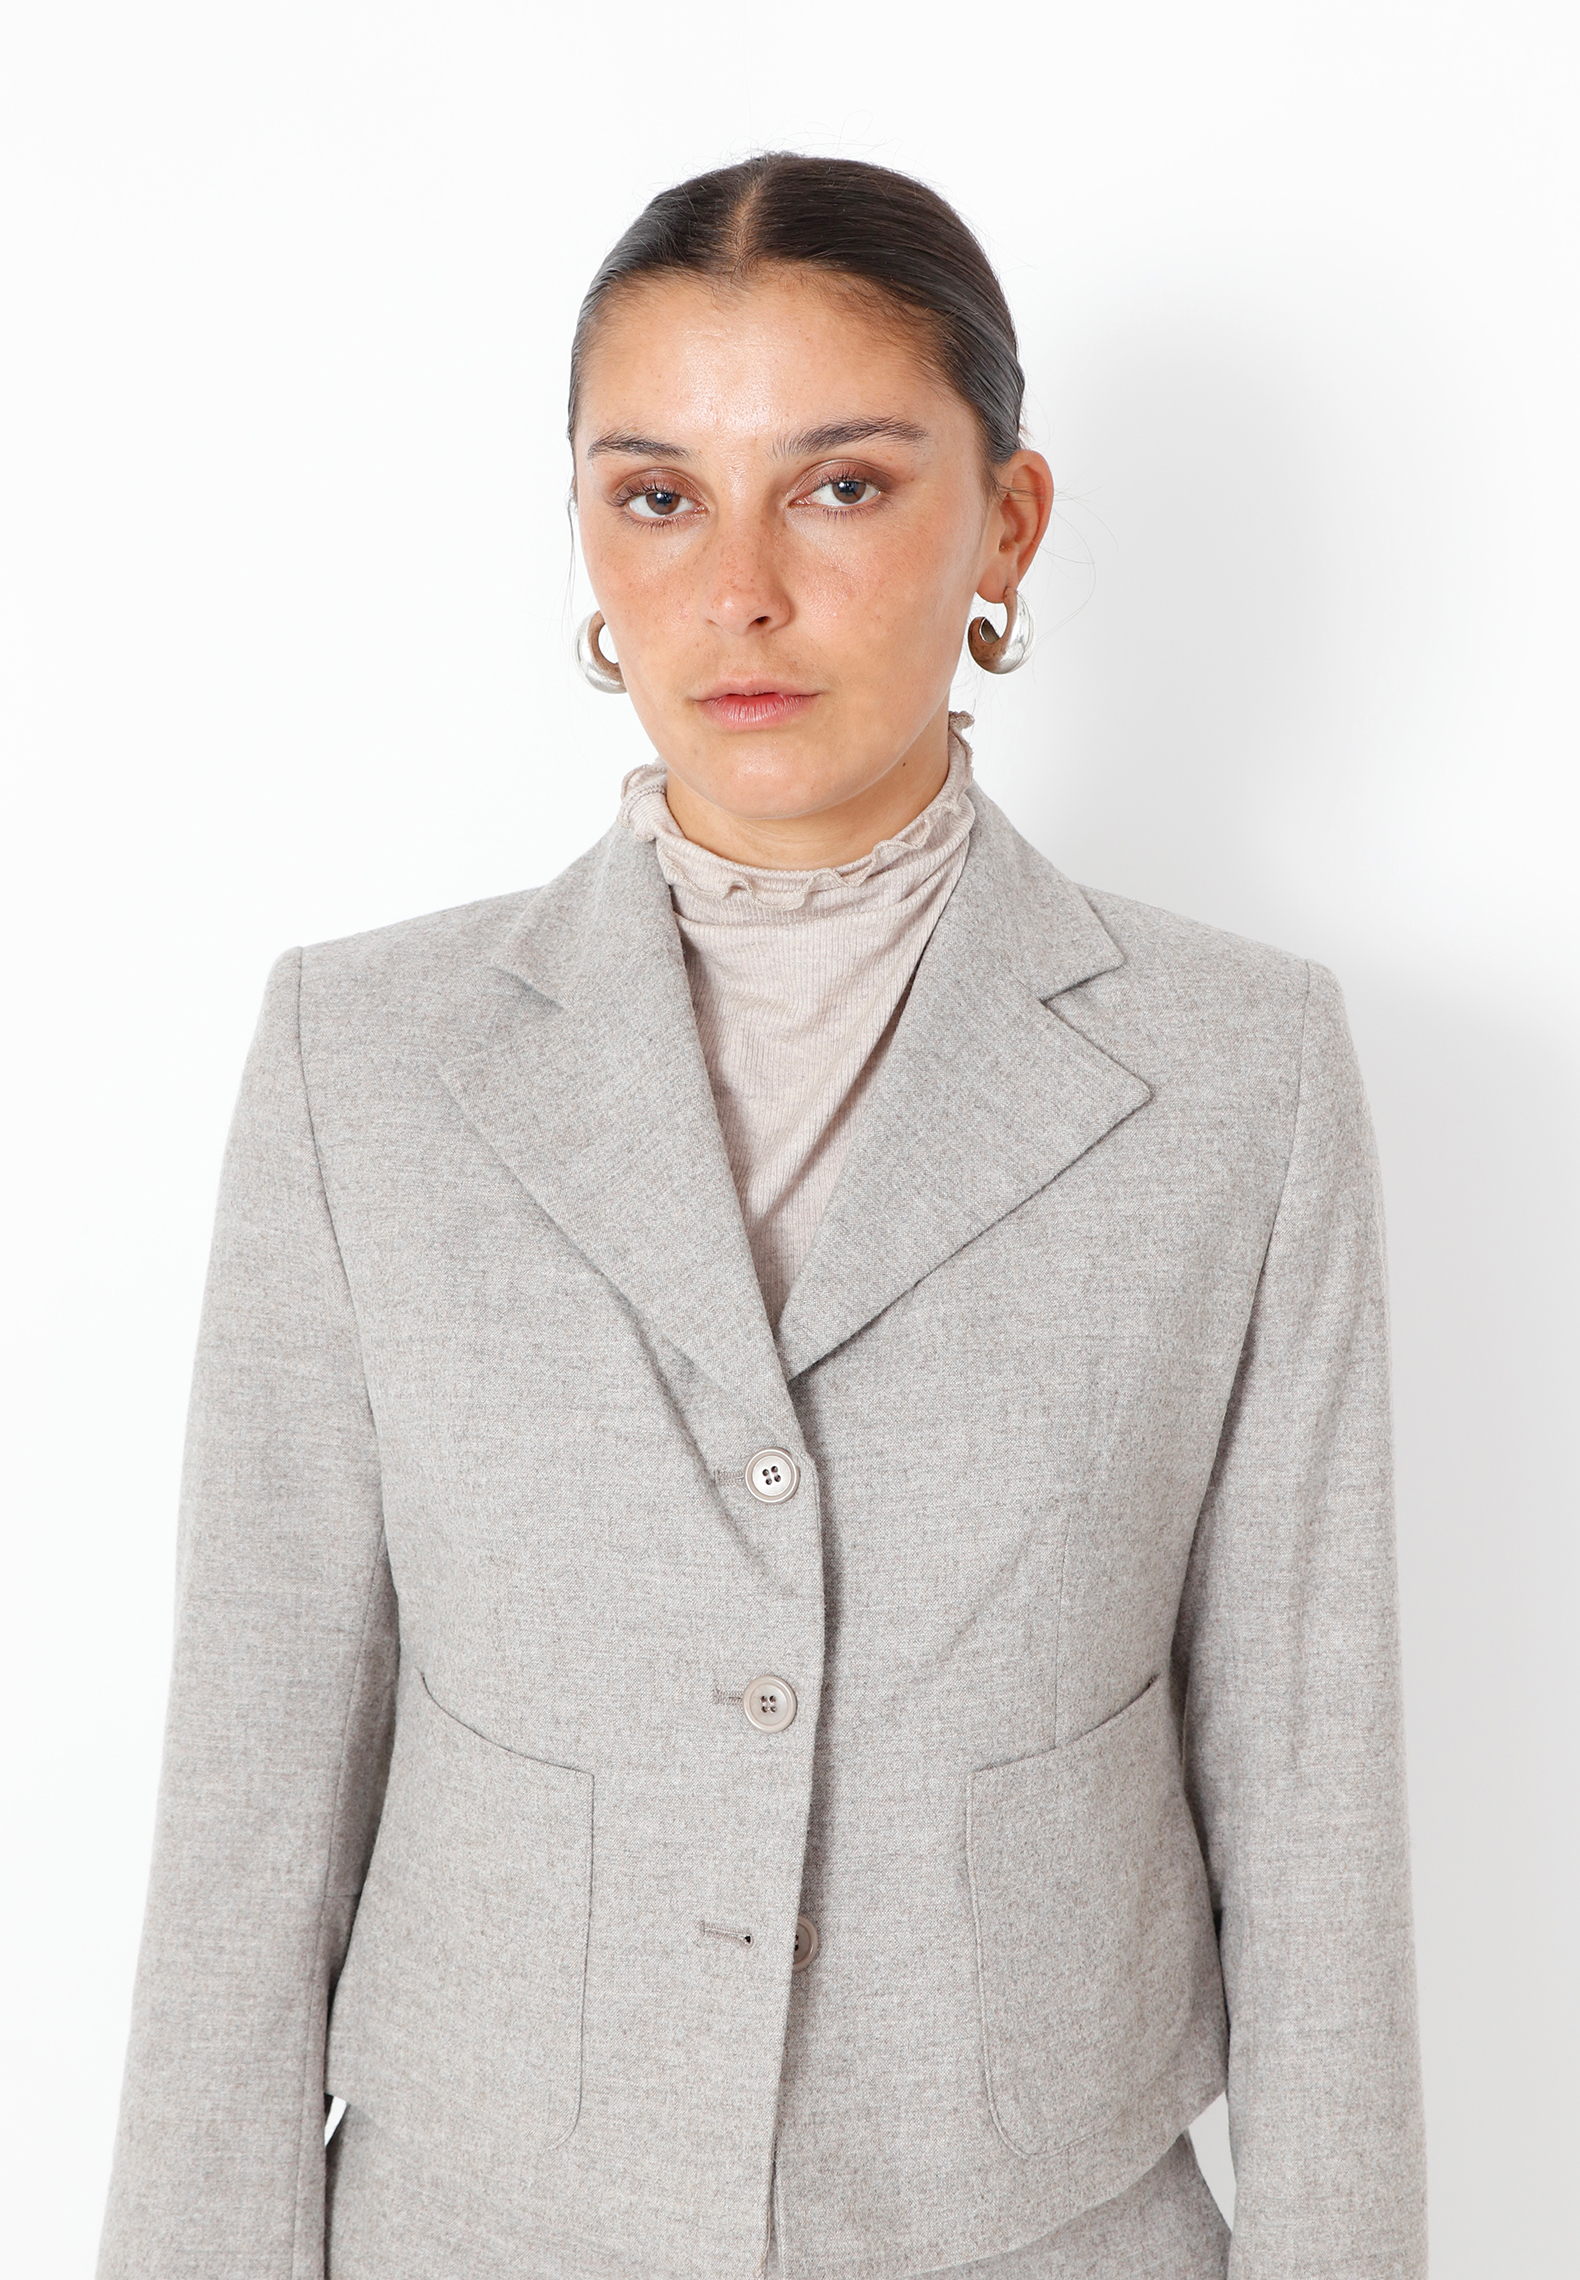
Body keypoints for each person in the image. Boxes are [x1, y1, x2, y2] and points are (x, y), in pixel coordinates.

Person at [97, 154, 1427, 2280]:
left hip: (1043, 2229)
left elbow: (1309, 1797)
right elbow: (254, 1797)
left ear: (1005, 524)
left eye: (840, 488)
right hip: (478, 2230)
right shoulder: (363, 1059)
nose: (736, 590)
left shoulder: (1237, 1070)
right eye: (656, 496)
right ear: (585, 535)